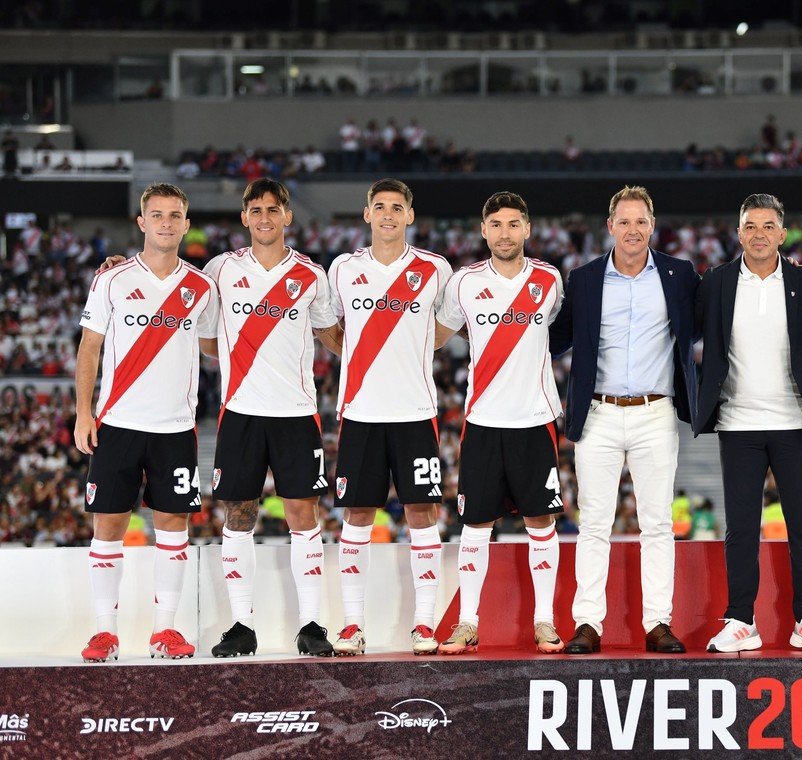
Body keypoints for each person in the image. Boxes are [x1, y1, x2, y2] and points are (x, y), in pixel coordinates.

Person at [95, 179, 346, 657]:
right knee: (239, 515)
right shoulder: (219, 271)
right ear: (244, 217)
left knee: (302, 515)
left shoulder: (313, 275)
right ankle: (240, 626)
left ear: (288, 216)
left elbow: (332, 335)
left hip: (297, 413)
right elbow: (205, 337)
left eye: (274, 209)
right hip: (239, 413)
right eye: (256, 209)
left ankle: (312, 625)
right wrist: (115, 265)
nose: (266, 217)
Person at [549, 186, 698, 655]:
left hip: (656, 412)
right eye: (624, 221)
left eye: (641, 222)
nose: (633, 230)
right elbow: (553, 340)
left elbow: (713, 316)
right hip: (598, 414)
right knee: (594, 523)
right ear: (609, 226)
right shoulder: (585, 279)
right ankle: (588, 623)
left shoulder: (680, 275)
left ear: (652, 227)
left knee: (657, 524)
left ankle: (658, 623)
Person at [75, 183, 219, 662]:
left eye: (174, 215)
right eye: (156, 215)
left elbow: (217, 345)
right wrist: (82, 412)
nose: (165, 223)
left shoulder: (201, 288)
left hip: (176, 428)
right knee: (108, 526)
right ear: (142, 223)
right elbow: (89, 347)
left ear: (185, 223)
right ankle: (105, 632)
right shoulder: (111, 280)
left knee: (173, 528)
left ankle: (166, 630)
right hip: (118, 423)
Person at [695, 193, 802, 654]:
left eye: (768, 226)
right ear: (739, 233)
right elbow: (687, 334)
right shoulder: (715, 283)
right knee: (740, 528)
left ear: (782, 233)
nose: (759, 234)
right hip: (737, 423)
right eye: (750, 226)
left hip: (794, 421)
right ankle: (741, 619)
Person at [433, 192, 566, 655]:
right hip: (483, 422)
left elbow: (558, 332)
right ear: (483, 231)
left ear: (527, 229)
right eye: (496, 224)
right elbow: (437, 334)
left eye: (514, 224)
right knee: (475, 525)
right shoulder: (464, 283)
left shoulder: (549, 280)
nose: (505, 233)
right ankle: (467, 622)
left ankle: (545, 621)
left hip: (534, 422)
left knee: (541, 522)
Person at [326, 178, 453, 655]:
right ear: (366, 214)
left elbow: (448, 325)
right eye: (379, 206)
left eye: (396, 208)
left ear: (409, 216)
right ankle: (353, 625)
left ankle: (424, 623)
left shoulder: (435, 269)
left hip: (416, 412)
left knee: (422, 512)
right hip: (360, 411)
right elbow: (328, 326)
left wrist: (413, 349)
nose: (387, 214)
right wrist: (361, 355)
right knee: (358, 513)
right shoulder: (342, 269)